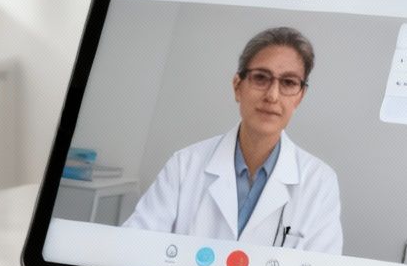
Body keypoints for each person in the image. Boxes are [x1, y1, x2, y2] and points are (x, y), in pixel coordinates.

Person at [124, 26, 344, 253]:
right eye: (261, 78)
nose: (272, 96)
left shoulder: (319, 182)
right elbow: (134, 247)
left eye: (288, 83)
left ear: (300, 96)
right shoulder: (184, 165)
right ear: (238, 86)